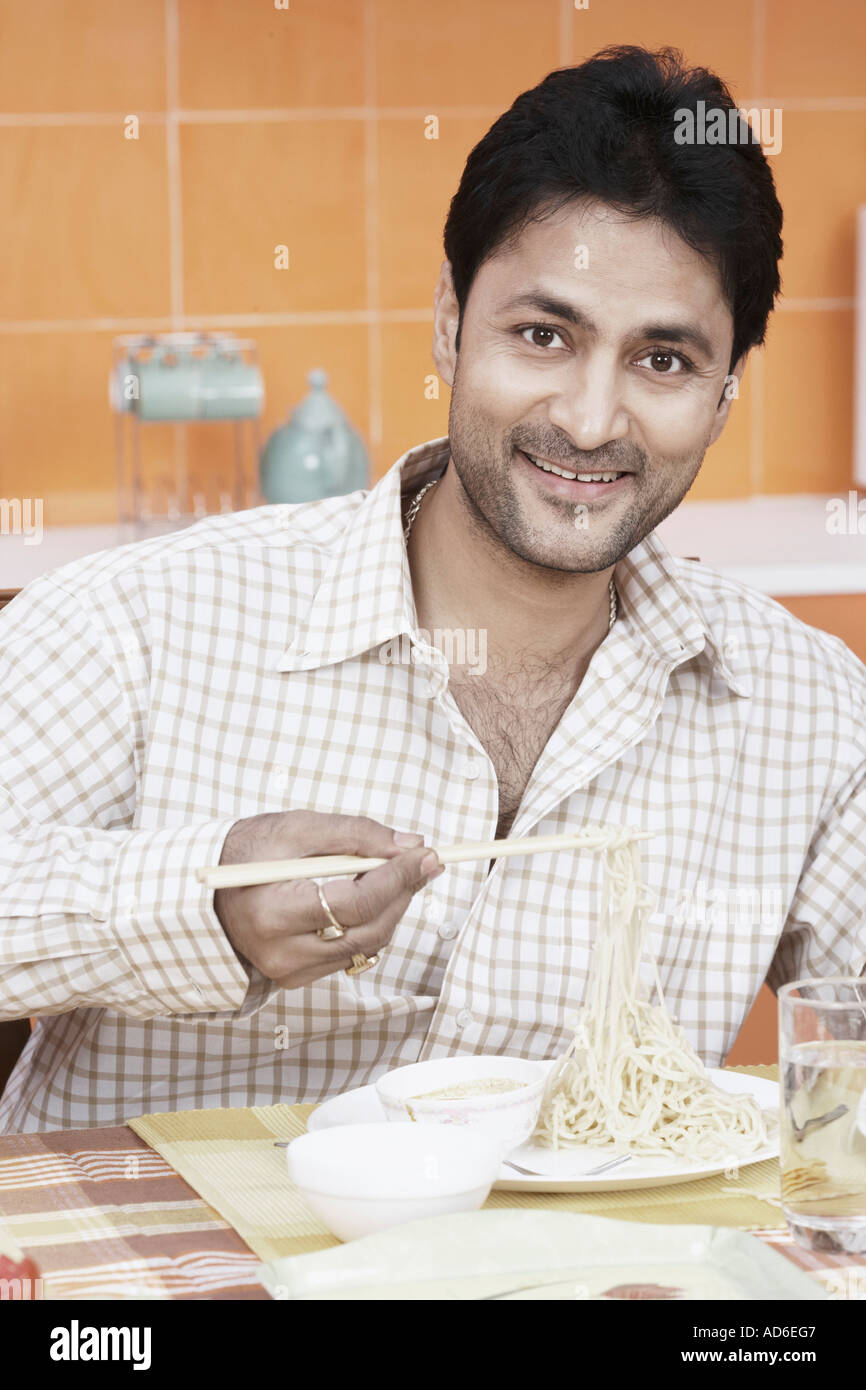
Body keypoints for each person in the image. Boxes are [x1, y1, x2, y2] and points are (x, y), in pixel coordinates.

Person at [1, 46, 863, 1134]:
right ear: (451, 324)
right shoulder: (137, 624)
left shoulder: (810, 714)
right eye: (541, 335)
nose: (592, 421)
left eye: (662, 362)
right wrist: (200, 903)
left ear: (724, 391)